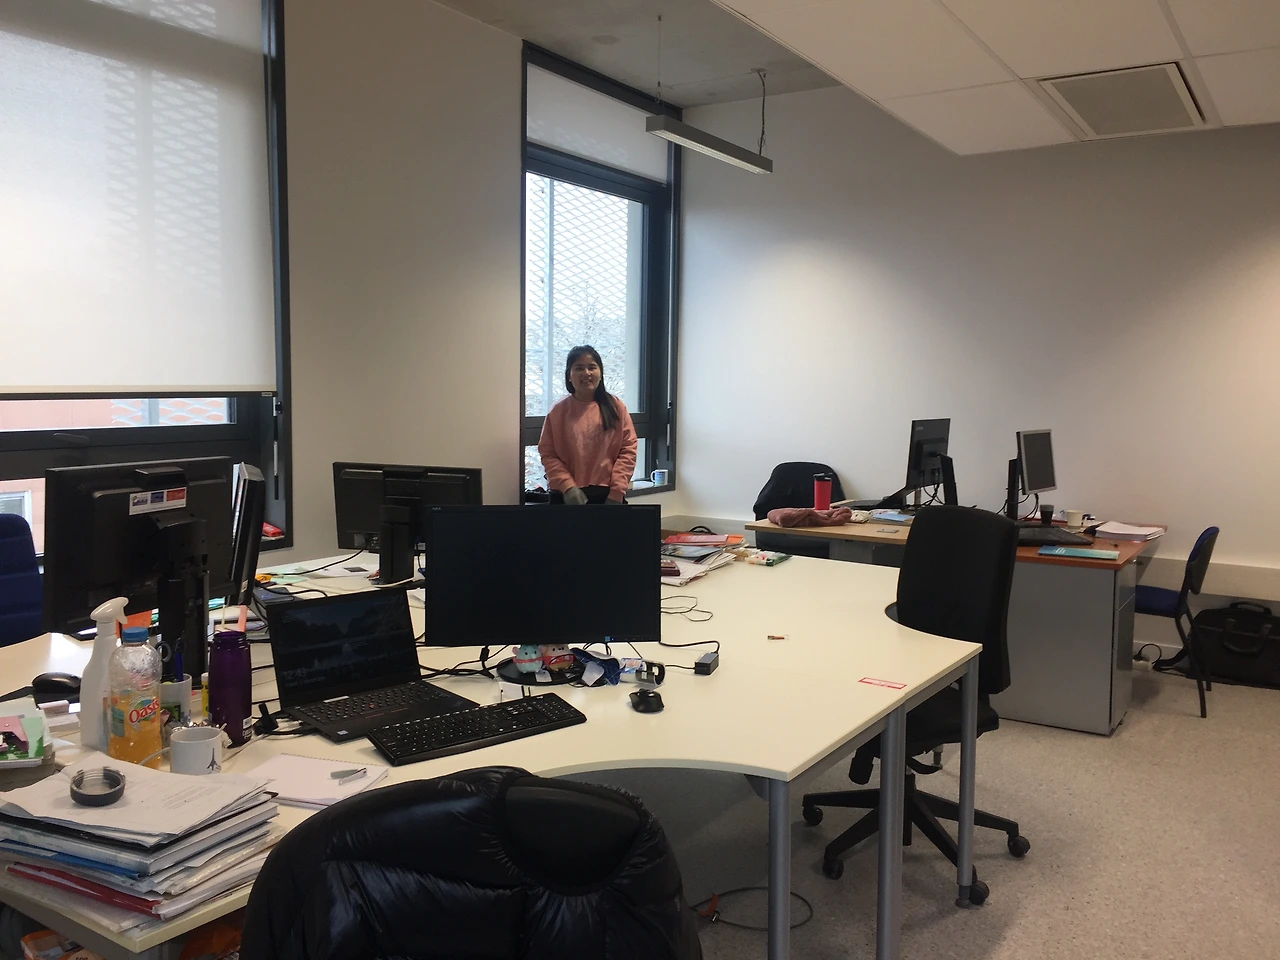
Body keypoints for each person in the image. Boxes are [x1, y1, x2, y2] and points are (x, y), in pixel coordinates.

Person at [537, 345, 637, 505]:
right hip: (566, 496)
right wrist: (567, 486)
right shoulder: (558, 411)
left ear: (600, 373)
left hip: (608, 496)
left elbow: (628, 451)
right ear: (569, 375)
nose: (586, 373)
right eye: (579, 368)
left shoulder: (615, 407)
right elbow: (548, 454)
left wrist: (617, 491)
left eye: (592, 367)